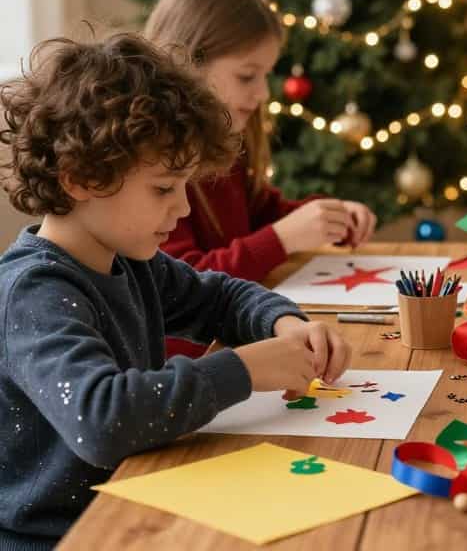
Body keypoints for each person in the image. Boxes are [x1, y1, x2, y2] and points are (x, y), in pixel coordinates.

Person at [0, 33, 351, 549]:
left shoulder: (127, 260)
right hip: (62, 537)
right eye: (164, 188)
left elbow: (222, 297)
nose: (183, 208)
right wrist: (248, 369)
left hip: (139, 502)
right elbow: (103, 419)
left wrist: (286, 324)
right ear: (79, 180)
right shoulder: (34, 293)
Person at [144, 0, 376, 357]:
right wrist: (283, 238)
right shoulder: (155, 163)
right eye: (247, 76)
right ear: (189, 62)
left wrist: (324, 217)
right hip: (190, 360)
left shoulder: (226, 136)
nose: (263, 93)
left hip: (238, 336)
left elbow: (256, 210)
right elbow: (188, 283)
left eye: (265, 75)